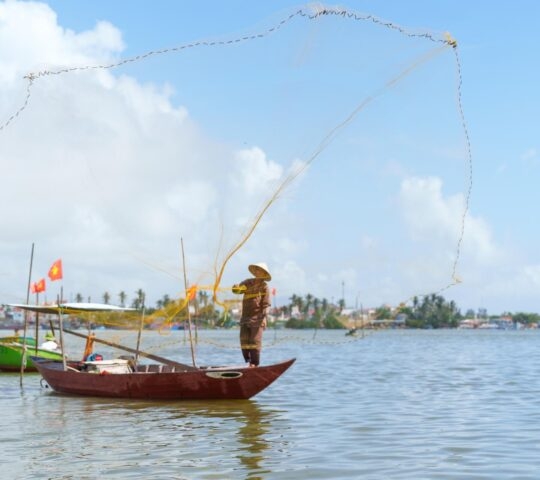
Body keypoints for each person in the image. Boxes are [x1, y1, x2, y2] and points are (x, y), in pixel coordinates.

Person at [232, 262, 271, 367]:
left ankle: (254, 364)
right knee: (244, 341)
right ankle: (249, 362)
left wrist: (264, 318)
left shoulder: (265, 287)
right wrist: (236, 288)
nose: (258, 272)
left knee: (255, 341)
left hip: (257, 319)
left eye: (260, 270)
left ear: (264, 273)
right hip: (245, 318)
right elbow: (238, 290)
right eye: (257, 270)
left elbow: (266, 305)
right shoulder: (248, 282)